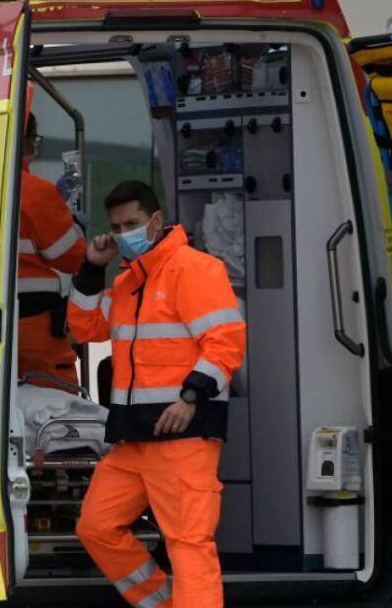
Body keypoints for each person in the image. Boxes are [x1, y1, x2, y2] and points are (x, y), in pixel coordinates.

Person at [70, 180, 245, 608]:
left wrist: (190, 398)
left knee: (188, 544)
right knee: (96, 527)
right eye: (116, 225)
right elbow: (85, 328)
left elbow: (225, 342)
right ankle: (165, 603)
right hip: (134, 439)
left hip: (182, 436)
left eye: (131, 223)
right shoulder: (130, 283)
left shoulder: (195, 269)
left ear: (156, 221)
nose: (123, 232)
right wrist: (93, 267)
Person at [17, 112, 87, 389]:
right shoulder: (35, 192)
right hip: (34, 328)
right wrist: (72, 223)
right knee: (57, 407)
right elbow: (72, 257)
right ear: (27, 143)